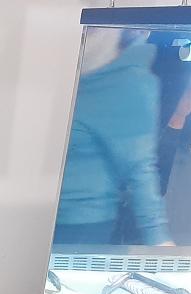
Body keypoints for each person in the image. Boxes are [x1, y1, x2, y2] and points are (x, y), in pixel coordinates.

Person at [53, 28, 171, 246]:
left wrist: (159, 240)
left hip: (79, 226)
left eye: (92, 29)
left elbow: (140, 168)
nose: (83, 35)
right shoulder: (62, 72)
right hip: (31, 213)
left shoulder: (131, 83)